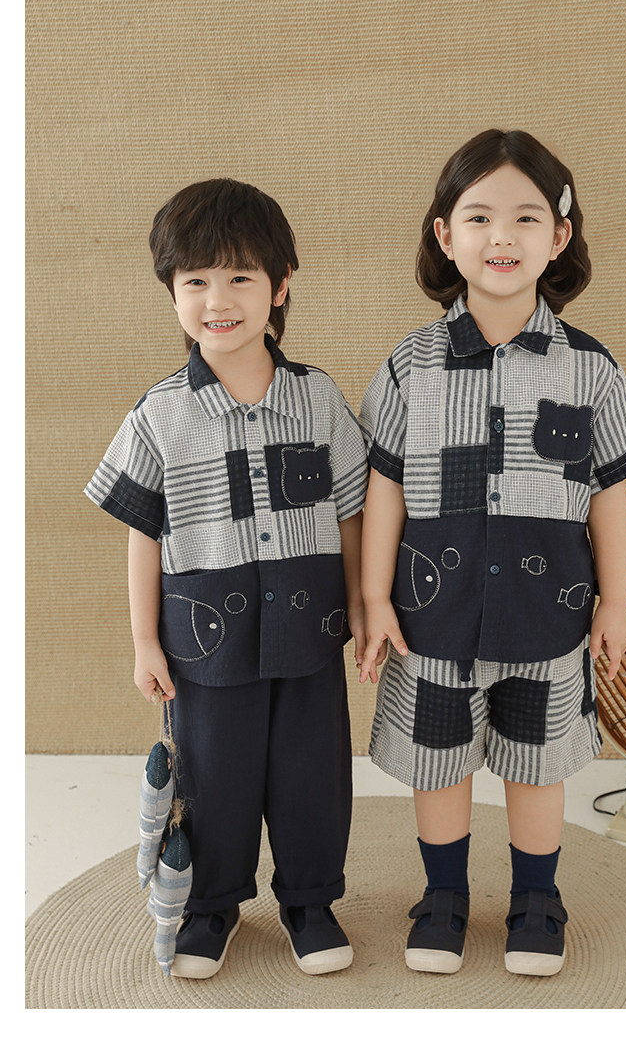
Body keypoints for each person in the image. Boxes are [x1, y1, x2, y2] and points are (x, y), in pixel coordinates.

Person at [358, 128, 626, 977]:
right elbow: (384, 487)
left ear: (558, 237)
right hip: (432, 619)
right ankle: (443, 898)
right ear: (444, 234)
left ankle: (537, 899)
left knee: (537, 768)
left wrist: (616, 600)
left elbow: (609, 491)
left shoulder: (591, 368)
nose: (502, 236)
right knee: (439, 768)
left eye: (526, 218)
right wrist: (374, 598)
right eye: (479, 216)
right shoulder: (410, 365)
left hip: (547, 619)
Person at [85, 178, 368, 979]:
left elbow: (352, 513)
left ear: (280, 285)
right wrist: (144, 640)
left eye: (241, 276)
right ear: (172, 292)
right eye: (196, 280)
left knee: (314, 776)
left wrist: (363, 606)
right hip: (204, 646)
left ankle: (310, 902)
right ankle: (211, 907)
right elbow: (143, 535)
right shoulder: (159, 415)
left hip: (310, 635)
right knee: (214, 779)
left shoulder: (318, 399)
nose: (219, 299)